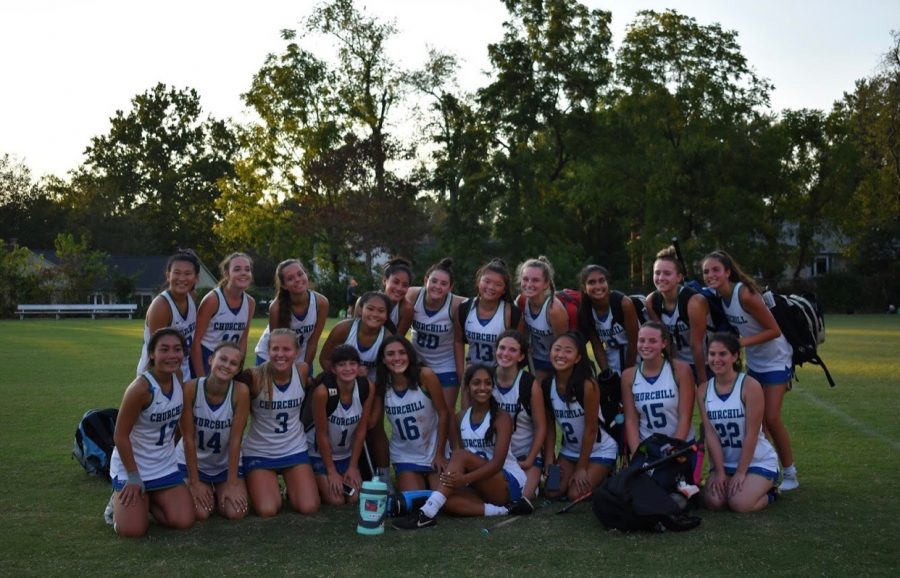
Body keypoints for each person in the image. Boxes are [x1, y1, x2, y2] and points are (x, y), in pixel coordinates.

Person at [703, 250, 799, 491]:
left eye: (716, 270)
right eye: (706, 271)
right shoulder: (718, 297)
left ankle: (790, 473)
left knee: (772, 417)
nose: (711, 275)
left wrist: (739, 344)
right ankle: (767, 470)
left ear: (728, 272)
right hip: (755, 362)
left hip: (776, 359)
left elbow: (774, 330)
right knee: (757, 422)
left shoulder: (744, 293)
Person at [393, 363, 530, 529]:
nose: (482, 387)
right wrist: (458, 480)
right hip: (479, 484)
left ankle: (426, 514)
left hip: (506, 482)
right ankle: (502, 511)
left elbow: (497, 463)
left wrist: (465, 479)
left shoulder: (502, 418)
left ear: (493, 387)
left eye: (487, 383)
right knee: (444, 498)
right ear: (467, 387)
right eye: (476, 383)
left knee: (460, 455)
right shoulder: (460, 418)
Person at [109, 328, 194, 537]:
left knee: (184, 521)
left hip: (163, 466)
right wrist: (133, 476)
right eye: (164, 349)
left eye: (177, 349)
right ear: (152, 354)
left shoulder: (179, 377)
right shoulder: (140, 389)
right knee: (132, 531)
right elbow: (120, 435)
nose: (172, 355)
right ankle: (116, 502)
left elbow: (182, 430)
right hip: (134, 467)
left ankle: (149, 499)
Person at [240, 328, 319, 517]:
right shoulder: (254, 376)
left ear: (296, 352)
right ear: (268, 350)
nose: (280, 354)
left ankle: (290, 487)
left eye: (286, 349)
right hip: (260, 451)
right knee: (267, 509)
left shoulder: (301, 370)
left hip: (294, 449)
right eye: (275, 349)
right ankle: (263, 484)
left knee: (309, 507)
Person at [699, 332, 779, 512]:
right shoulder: (704, 389)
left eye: (722, 354)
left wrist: (741, 473)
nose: (716, 359)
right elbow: (710, 434)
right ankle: (732, 480)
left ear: (735, 356)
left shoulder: (750, 385)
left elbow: (752, 433)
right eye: (712, 354)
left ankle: (772, 492)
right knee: (714, 502)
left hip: (756, 461)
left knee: (740, 504)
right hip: (725, 462)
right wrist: (719, 472)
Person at [319, 291, 393, 482]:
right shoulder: (344, 329)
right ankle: (323, 467)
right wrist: (346, 375)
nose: (375, 314)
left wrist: (373, 392)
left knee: (374, 426)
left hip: (372, 388)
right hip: (339, 385)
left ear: (387, 315)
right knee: (332, 423)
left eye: (381, 311)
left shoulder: (387, 337)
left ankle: (384, 478)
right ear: (361, 309)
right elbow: (325, 359)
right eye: (370, 309)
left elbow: (386, 374)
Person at [176, 341, 250, 520]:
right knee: (200, 513)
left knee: (236, 513)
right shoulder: (190, 389)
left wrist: (232, 483)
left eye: (233, 363)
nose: (226, 365)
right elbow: (188, 438)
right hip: (193, 462)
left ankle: (221, 488)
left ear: (238, 369)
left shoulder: (241, 392)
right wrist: (194, 483)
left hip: (224, 464)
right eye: (222, 359)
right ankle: (203, 487)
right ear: (210, 360)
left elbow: (235, 439)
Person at [543, 332, 617, 501]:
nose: (561, 355)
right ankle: (580, 473)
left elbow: (591, 429)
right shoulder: (547, 384)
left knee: (575, 494)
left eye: (568, 351)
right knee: (551, 491)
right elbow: (549, 427)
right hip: (570, 450)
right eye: (557, 349)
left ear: (577, 358)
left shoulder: (587, 385)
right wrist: (549, 459)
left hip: (600, 449)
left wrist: (582, 467)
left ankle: (605, 473)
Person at [376, 335, 451, 493]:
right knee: (416, 500)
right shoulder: (382, 384)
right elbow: (373, 423)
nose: (397, 358)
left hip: (433, 450)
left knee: (442, 498)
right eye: (390, 354)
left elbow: (444, 413)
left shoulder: (425, 376)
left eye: (402, 352)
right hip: (405, 455)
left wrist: (440, 453)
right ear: (383, 359)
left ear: (409, 355)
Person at [307, 345, 375, 505]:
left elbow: (361, 430)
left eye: (352, 364)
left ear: (359, 367)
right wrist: (331, 471)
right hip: (319, 454)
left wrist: (353, 466)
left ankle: (329, 477)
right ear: (333, 368)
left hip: (345, 455)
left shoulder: (367, 387)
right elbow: (321, 435)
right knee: (335, 500)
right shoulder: (323, 392)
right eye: (342, 364)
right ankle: (308, 481)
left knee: (353, 498)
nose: (348, 368)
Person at [620, 322, 695, 457]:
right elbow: (631, 420)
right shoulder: (628, 376)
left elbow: (685, 417)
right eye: (641, 340)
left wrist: (674, 449)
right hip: (648, 448)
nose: (646, 345)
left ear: (664, 343)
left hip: (680, 446)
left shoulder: (680, 370)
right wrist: (638, 454)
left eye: (652, 341)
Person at [492, 329, 546, 499]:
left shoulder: (529, 383)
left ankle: (532, 479)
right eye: (501, 348)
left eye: (512, 350)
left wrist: (530, 459)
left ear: (521, 356)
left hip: (524, 453)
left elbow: (541, 426)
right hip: (496, 454)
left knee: (523, 497)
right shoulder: (486, 378)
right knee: (496, 494)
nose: (505, 353)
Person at [645, 246, 711, 385]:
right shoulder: (652, 301)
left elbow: (697, 344)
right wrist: (672, 368)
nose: (661, 278)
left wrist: (702, 381)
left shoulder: (693, 302)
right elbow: (666, 340)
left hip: (706, 363)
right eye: (657, 273)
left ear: (679, 277)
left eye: (667, 273)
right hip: (679, 363)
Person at [406, 258, 464, 412]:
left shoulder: (457, 305)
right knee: (418, 411)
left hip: (445, 365)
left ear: (451, 287)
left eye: (444, 284)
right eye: (434, 281)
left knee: (445, 412)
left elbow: (482, 304)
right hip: (418, 363)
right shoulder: (412, 295)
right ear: (426, 280)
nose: (437, 286)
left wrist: (462, 374)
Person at [136, 249, 200, 382]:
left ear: (196, 278)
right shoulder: (161, 307)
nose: (182, 278)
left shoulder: (192, 297)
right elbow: (157, 353)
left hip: (182, 371)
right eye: (176, 273)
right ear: (168, 275)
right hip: (159, 377)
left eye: (188, 273)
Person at [254, 259, 329, 371]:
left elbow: (313, 342)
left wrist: (305, 368)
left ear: (306, 275)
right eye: (290, 278)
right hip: (271, 356)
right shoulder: (276, 308)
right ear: (284, 285)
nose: (297, 280)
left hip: (301, 357)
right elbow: (276, 346)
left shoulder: (321, 303)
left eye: (300, 274)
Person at [455, 258, 520, 382]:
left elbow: (519, 347)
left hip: (501, 375)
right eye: (487, 281)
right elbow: (458, 341)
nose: (491, 287)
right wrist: (461, 373)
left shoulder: (512, 313)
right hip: (472, 374)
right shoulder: (465, 308)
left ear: (504, 289)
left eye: (498, 284)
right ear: (479, 281)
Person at [192, 252, 255, 378]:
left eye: (247, 269)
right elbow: (196, 341)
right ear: (226, 274)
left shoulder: (250, 302)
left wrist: (238, 369)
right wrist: (200, 378)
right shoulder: (213, 300)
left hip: (230, 361)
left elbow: (243, 340)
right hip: (208, 358)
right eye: (237, 269)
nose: (243, 273)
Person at [578, 264, 639, 377]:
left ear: (608, 283)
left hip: (636, 359)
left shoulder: (624, 303)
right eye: (592, 282)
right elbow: (597, 348)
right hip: (612, 360)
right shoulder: (586, 311)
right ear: (584, 288)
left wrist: (627, 373)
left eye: (602, 281)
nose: (598, 286)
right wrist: (607, 373)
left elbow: (633, 343)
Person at [517, 256, 568, 383]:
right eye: (525, 279)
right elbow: (522, 332)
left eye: (535, 280)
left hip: (558, 360)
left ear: (545, 284)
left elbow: (563, 345)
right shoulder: (521, 301)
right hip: (536, 360)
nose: (529, 284)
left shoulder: (554, 309)